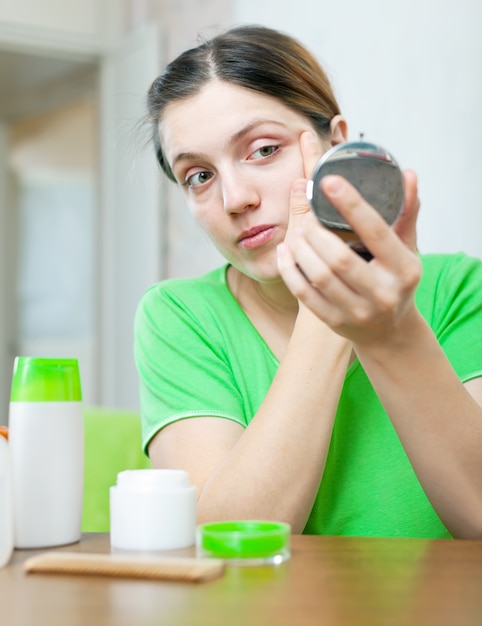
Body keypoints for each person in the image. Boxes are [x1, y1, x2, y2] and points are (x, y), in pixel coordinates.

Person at [134, 24, 482, 539]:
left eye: (263, 150)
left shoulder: (458, 288)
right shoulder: (178, 316)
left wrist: (392, 333)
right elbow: (225, 543)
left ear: (336, 145)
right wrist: (328, 313)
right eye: (199, 176)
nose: (235, 198)